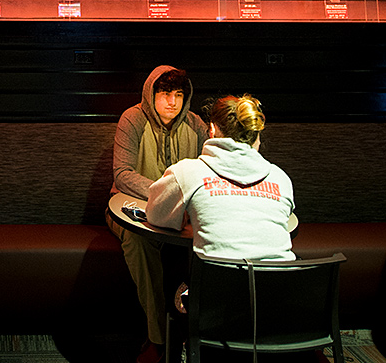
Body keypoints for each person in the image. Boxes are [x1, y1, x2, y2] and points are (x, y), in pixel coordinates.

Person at [110, 65, 208, 363]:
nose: (172, 102)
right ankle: (159, 339)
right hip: (130, 208)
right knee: (138, 242)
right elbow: (122, 173)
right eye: (164, 94)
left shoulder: (196, 124)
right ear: (151, 95)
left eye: (179, 94)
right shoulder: (133, 119)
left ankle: (203, 337)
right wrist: (165, 192)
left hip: (182, 215)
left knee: (213, 239)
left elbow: (210, 170)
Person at [146, 94, 294, 262]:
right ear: (256, 133)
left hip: (217, 286)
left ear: (212, 129)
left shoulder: (186, 173)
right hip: (282, 284)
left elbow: (155, 216)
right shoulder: (281, 179)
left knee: (179, 286)